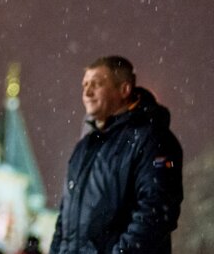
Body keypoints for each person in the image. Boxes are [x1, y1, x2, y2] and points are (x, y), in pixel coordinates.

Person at [50, 56, 183, 254]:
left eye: (96, 84)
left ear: (124, 90)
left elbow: (155, 212)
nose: (87, 92)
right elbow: (64, 221)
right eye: (85, 85)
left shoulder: (152, 139)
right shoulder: (83, 148)